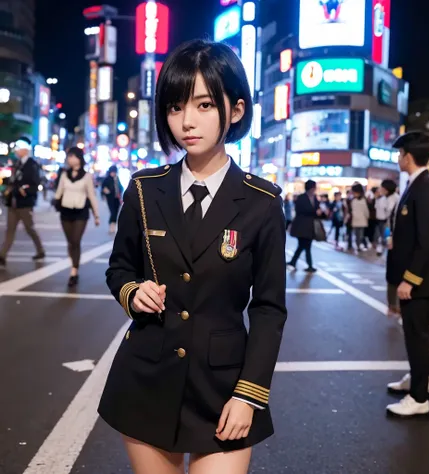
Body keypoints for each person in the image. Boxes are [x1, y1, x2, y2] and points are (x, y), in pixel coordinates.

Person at [99, 39, 287, 474]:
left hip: (224, 389)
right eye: (175, 106)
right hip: (147, 377)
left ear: (235, 110)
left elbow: (269, 308)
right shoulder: (145, 189)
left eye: (204, 105)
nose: (187, 121)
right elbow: (120, 269)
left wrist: (250, 392)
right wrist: (133, 292)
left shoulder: (262, 202)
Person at [385, 131, 429, 418]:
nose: (398, 159)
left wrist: (410, 279)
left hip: (421, 281)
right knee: (418, 334)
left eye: (399, 155)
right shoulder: (419, 184)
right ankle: (426, 379)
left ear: (408, 157)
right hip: (421, 279)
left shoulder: (424, 188)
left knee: (417, 336)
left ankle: (419, 397)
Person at [54, 147, 100, 286]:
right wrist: (55, 203)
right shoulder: (64, 174)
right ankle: (74, 264)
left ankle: (74, 271)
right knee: (70, 242)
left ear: (79, 158)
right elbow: (59, 191)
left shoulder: (87, 176)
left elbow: (91, 195)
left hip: (81, 212)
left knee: (75, 240)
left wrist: (96, 215)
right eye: (69, 156)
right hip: (66, 211)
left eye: (72, 156)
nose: (70, 159)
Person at [0, 137, 45, 266]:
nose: (16, 151)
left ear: (25, 150)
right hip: (13, 202)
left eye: (18, 148)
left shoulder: (32, 165)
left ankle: (40, 250)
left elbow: (35, 184)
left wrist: (25, 189)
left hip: (25, 204)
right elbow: (12, 180)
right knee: (10, 230)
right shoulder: (16, 164)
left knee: (29, 229)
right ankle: (2, 255)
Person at [287, 180, 324, 273]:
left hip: (310, 226)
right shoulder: (301, 198)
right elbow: (300, 210)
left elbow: (317, 209)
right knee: (304, 245)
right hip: (302, 226)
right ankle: (307, 264)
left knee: (304, 246)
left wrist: (320, 212)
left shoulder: (314, 198)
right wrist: (314, 211)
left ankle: (294, 262)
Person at [101, 165, 123, 234]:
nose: (114, 173)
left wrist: (120, 192)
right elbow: (103, 187)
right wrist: (107, 192)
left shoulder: (117, 178)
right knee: (112, 212)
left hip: (117, 198)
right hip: (110, 198)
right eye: (113, 172)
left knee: (116, 213)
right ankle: (111, 226)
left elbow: (120, 187)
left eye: (115, 172)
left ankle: (114, 226)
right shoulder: (107, 179)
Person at [349, 183, 369, 252]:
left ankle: (359, 246)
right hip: (358, 220)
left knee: (359, 235)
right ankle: (358, 246)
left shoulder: (357, 200)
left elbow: (365, 211)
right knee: (358, 235)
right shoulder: (355, 200)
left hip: (359, 220)